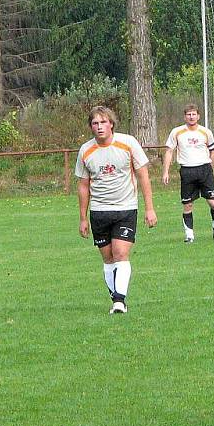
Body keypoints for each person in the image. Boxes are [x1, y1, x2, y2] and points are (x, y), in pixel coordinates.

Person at [75, 106, 157, 314]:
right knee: (108, 258)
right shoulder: (86, 150)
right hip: (99, 211)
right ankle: (116, 299)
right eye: (95, 123)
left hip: (126, 208)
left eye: (103, 122)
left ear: (111, 123)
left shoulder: (128, 143)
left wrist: (150, 208)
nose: (99, 126)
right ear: (91, 127)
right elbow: (83, 185)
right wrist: (83, 218)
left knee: (121, 253)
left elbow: (143, 176)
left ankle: (119, 301)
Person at [162, 103, 214, 242]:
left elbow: (213, 149)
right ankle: (189, 236)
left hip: (204, 170)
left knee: (213, 203)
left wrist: (211, 164)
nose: (191, 117)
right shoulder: (177, 132)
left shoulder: (206, 132)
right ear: (185, 117)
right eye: (189, 114)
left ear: (198, 116)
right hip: (187, 171)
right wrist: (165, 171)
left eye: (194, 114)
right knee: (187, 204)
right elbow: (169, 151)